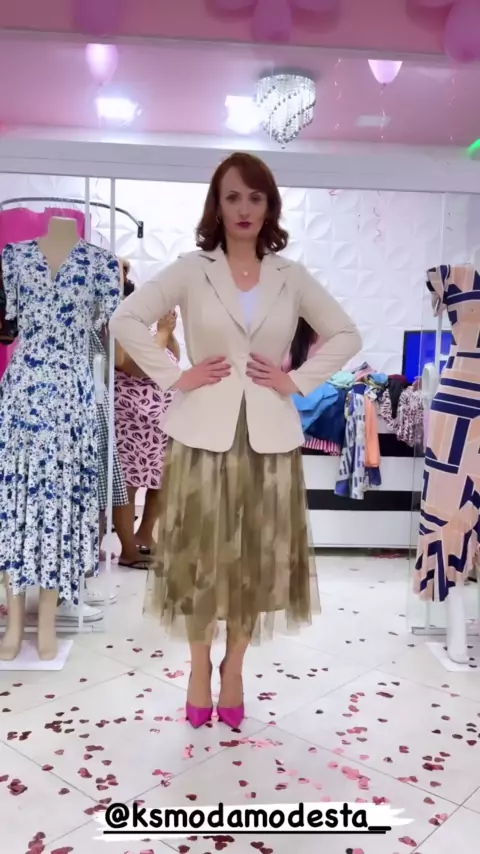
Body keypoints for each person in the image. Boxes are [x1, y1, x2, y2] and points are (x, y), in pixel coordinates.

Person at [110, 152, 361, 729]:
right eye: (232, 197)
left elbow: (347, 334)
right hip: (201, 435)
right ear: (217, 206)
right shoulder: (191, 269)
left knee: (254, 561)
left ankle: (235, 669)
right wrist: (175, 375)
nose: (244, 208)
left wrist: (297, 381)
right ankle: (200, 666)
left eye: (255, 197)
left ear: (269, 206)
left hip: (269, 440)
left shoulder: (290, 276)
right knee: (199, 558)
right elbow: (125, 319)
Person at [114, 262, 179, 568]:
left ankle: (144, 535)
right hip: (131, 418)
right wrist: (163, 332)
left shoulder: (140, 320)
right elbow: (137, 367)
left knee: (161, 480)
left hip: (161, 419)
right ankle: (128, 550)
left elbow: (171, 358)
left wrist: (169, 333)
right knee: (128, 484)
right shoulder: (114, 320)